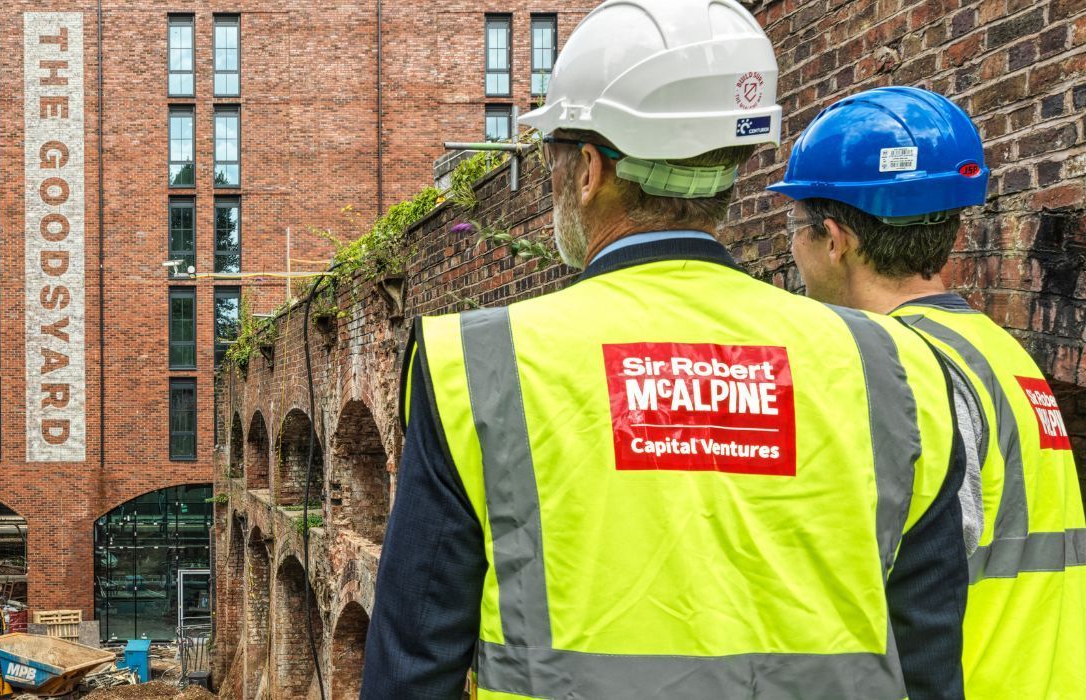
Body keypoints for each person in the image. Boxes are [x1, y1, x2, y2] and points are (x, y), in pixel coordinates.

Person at [361, 1, 980, 697]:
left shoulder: (478, 365)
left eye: (555, 158)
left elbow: (413, 671)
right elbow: (929, 661)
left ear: (588, 170)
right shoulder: (895, 369)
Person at [771, 86, 1086, 699]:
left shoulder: (897, 373)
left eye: (798, 228)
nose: (794, 248)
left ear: (835, 239)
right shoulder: (1002, 352)